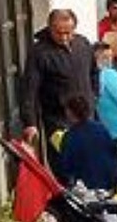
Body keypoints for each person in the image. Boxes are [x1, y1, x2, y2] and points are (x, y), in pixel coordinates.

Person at [22, 9, 96, 143]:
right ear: (50, 28)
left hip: (86, 116)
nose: (64, 38)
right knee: (63, 160)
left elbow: (94, 72)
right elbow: (29, 89)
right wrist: (30, 122)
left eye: (68, 33)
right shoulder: (39, 52)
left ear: (74, 29)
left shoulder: (83, 43)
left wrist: (94, 96)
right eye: (58, 33)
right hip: (58, 120)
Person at [53, 94, 117, 196]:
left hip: (88, 186)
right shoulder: (101, 128)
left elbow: (65, 168)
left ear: (70, 113)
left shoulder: (70, 136)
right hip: (110, 181)